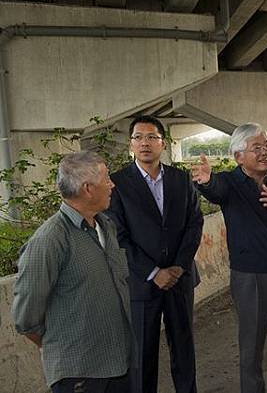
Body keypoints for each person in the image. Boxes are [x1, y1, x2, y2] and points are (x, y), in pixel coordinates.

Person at [191, 123, 267, 393]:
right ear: (238, 156)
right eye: (257, 147)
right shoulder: (230, 183)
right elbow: (215, 190)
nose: (265, 152)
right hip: (250, 277)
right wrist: (208, 181)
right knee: (252, 349)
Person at [12, 151, 133, 393]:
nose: (112, 184)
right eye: (106, 179)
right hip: (79, 374)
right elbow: (26, 318)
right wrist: (64, 345)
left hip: (119, 365)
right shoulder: (50, 240)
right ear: (88, 188)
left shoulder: (106, 226)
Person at [107, 115, 203, 393]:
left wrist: (179, 267)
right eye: (138, 138)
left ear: (163, 143)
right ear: (131, 144)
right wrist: (153, 272)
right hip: (141, 283)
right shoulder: (118, 183)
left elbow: (194, 223)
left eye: (151, 137)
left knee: (184, 350)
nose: (144, 143)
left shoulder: (180, 179)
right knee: (142, 357)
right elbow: (118, 236)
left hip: (179, 280)